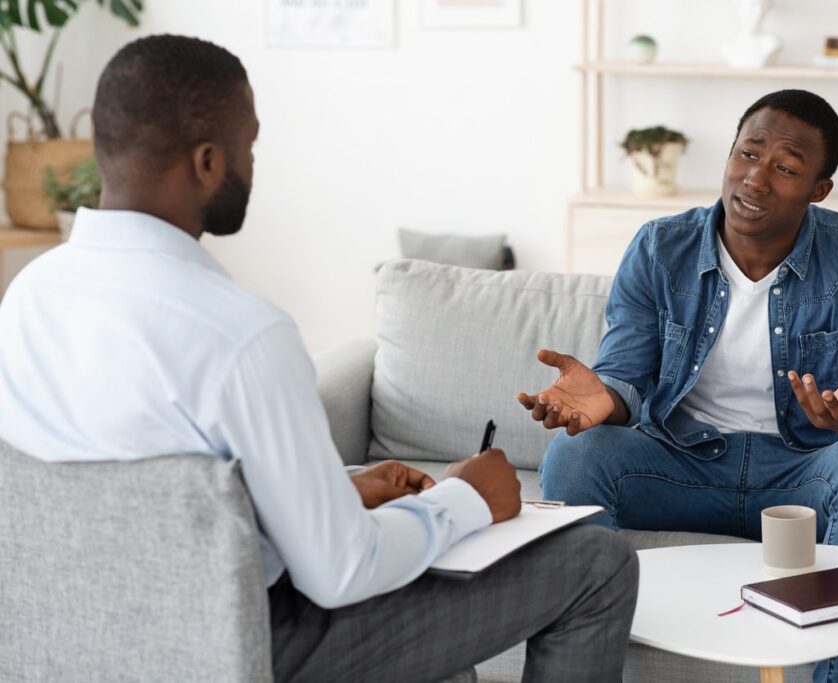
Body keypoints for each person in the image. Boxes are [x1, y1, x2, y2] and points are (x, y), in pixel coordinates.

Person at [0, 35, 638, 683]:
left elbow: (133, 502)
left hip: (93, 646)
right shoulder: (241, 334)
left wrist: (334, 495)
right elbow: (341, 572)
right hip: (248, 647)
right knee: (597, 561)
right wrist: (465, 497)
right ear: (208, 161)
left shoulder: (26, 299)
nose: (253, 163)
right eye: (249, 145)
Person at [517, 89, 838, 683]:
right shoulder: (661, 247)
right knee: (574, 453)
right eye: (747, 154)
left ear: (819, 190)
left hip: (806, 471)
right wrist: (606, 400)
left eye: (786, 168)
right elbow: (626, 379)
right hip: (682, 464)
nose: (755, 179)